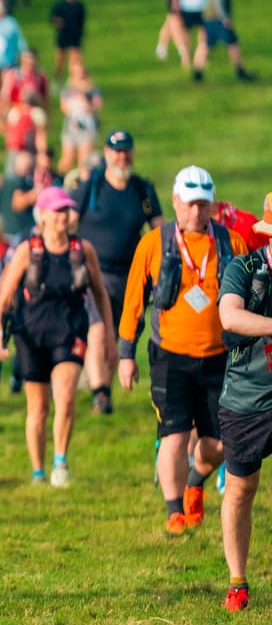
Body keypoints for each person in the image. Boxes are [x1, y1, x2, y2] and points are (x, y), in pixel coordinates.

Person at [118, 165, 245, 536]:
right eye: (189, 204)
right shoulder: (153, 244)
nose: (196, 212)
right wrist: (126, 355)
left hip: (219, 357)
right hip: (169, 356)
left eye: (203, 205)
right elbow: (133, 303)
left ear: (212, 205)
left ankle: (194, 481)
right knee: (173, 435)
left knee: (220, 443)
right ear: (175, 202)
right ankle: (175, 511)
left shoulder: (230, 242)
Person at [0, 185, 113, 486]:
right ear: (43, 215)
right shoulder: (27, 251)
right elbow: (4, 298)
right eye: (58, 210)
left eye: (66, 209)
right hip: (30, 336)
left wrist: (110, 335)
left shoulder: (82, 250)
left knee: (66, 396)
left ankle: (60, 461)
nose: (64, 215)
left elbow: (100, 294)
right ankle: (38, 471)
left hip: (70, 331)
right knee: (38, 408)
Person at [74, 130, 161, 415]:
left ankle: (104, 391)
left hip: (132, 276)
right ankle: (99, 390)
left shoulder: (142, 190)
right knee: (98, 329)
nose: (122, 156)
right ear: (107, 153)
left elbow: (159, 231)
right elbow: (67, 218)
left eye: (126, 151)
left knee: (119, 335)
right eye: (116, 151)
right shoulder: (92, 185)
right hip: (93, 274)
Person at [217, 193, 272, 609]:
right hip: (247, 397)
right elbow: (230, 316)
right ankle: (238, 581)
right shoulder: (245, 267)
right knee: (240, 487)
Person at [203, 0, 254, 82]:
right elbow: (218, 0)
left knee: (207, 44)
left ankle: (197, 74)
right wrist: (225, 18)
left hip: (209, 16)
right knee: (233, 43)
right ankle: (241, 72)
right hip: (217, 17)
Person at [49, 0, 86, 77]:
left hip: (75, 34)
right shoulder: (59, 5)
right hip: (63, 34)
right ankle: (57, 77)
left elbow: (82, 20)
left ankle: (73, 79)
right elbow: (52, 19)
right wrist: (58, 22)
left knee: (74, 60)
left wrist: (81, 33)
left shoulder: (79, 5)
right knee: (60, 59)